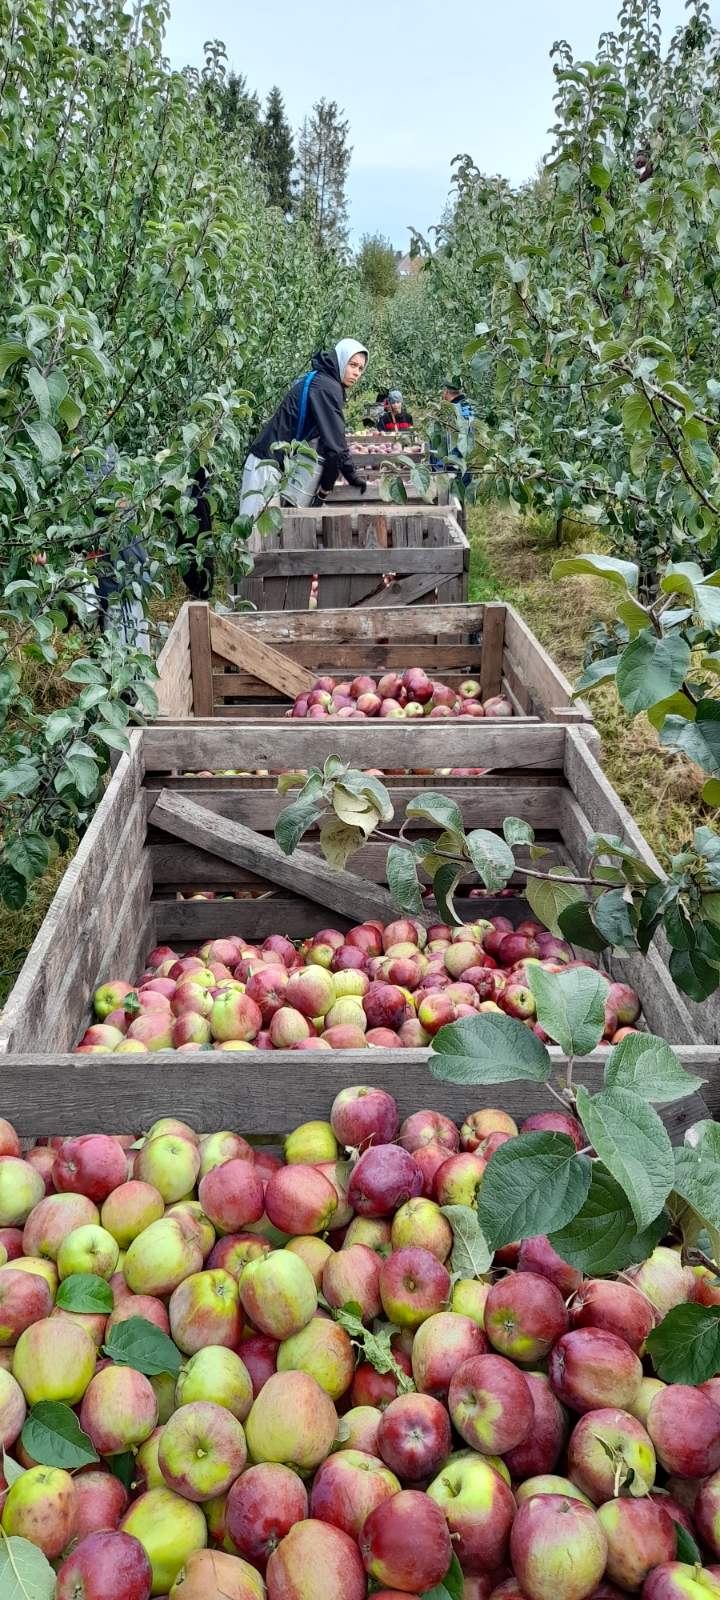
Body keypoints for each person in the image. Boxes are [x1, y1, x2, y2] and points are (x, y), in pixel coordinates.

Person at [240, 339, 369, 515]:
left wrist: (330, 482)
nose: (356, 373)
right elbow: (335, 445)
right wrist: (349, 476)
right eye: (352, 365)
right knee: (253, 534)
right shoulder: (326, 388)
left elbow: (330, 442)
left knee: (270, 535)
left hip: (273, 465)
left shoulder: (323, 381)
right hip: (265, 466)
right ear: (341, 360)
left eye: (361, 368)